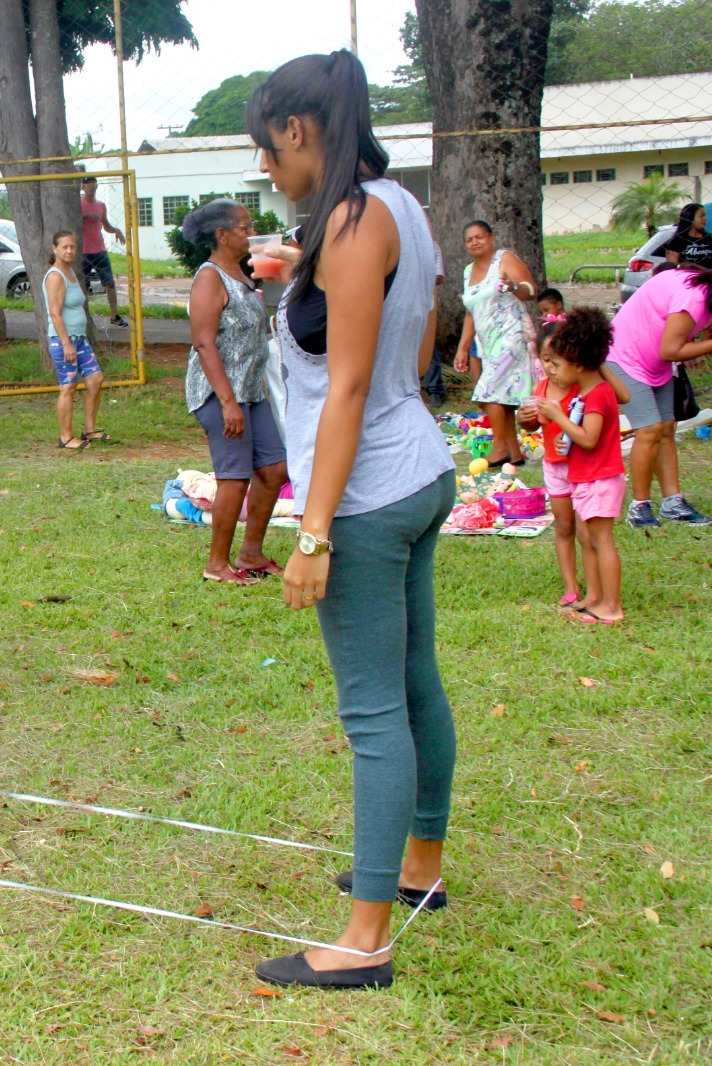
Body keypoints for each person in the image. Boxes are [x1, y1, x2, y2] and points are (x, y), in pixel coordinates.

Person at [247, 50, 457, 990]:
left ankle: (366, 939)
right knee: (414, 682)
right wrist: (309, 271)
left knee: (374, 710)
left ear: (298, 129)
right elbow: (409, 325)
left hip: (370, 496)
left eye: (269, 147)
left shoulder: (351, 220)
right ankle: (419, 868)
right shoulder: (396, 206)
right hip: (418, 470)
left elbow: (350, 386)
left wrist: (313, 532)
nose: (267, 168)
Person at [181, 199, 290, 584]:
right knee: (235, 476)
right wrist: (228, 403)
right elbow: (204, 343)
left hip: (251, 392)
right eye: (245, 228)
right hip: (220, 393)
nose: (252, 233)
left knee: (274, 469)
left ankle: (251, 553)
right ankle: (217, 565)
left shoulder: (243, 274)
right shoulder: (210, 278)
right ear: (222, 235)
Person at [533, 310, 627, 623]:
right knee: (594, 540)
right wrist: (564, 437)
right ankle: (597, 599)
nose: (552, 371)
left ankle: (611, 607)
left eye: (557, 364)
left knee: (602, 542)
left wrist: (559, 417)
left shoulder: (597, 394)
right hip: (587, 476)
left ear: (578, 364)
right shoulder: (588, 392)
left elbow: (589, 438)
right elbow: (581, 436)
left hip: (599, 478)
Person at [605, 264, 712, 527]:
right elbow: (670, 350)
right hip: (624, 356)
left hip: (653, 360)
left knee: (666, 428)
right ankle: (639, 507)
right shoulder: (694, 297)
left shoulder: (700, 288)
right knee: (649, 429)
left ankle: (672, 503)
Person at [454, 220, 539, 466]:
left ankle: (500, 447)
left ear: (491, 237)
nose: (475, 242)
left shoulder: (504, 259)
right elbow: (471, 312)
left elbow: (530, 290)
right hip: (487, 341)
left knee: (487, 389)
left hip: (511, 334)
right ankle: (514, 453)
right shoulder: (468, 271)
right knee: (503, 396)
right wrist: (462, 347)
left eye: (479, 237)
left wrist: (513, 286)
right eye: (469, 239)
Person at [41, 230, 108, 450]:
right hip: (64, 340)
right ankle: (66, 437)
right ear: (55, 249)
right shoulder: (55, 276)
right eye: (65, 247)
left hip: (79, 338)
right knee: (68, 387)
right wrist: (66, 343)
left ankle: (89, 429)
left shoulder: (70, 272)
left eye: (72, 247)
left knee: (95, 379)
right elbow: (55, 313)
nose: (69, 251)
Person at [80, 175, 128, 327]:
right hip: (83, 251)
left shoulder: (101, 205)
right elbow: (72, 222)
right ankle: (84, 316)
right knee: (83, 285)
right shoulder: (78, 204)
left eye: (93, 185)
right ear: (83, 187)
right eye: (88, 185)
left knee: (109, 283)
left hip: (99, 250)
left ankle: (114, 316)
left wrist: (116, 230)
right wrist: (85, 215)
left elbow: (106, 225)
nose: (91, 188)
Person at [663, 203, 712, 268]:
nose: (705, 219)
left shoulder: (709, 238)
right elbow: (671, 267)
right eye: (701, 216)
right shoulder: (677, 241)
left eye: (705, 216)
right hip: (687, 274)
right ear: (690, 217)